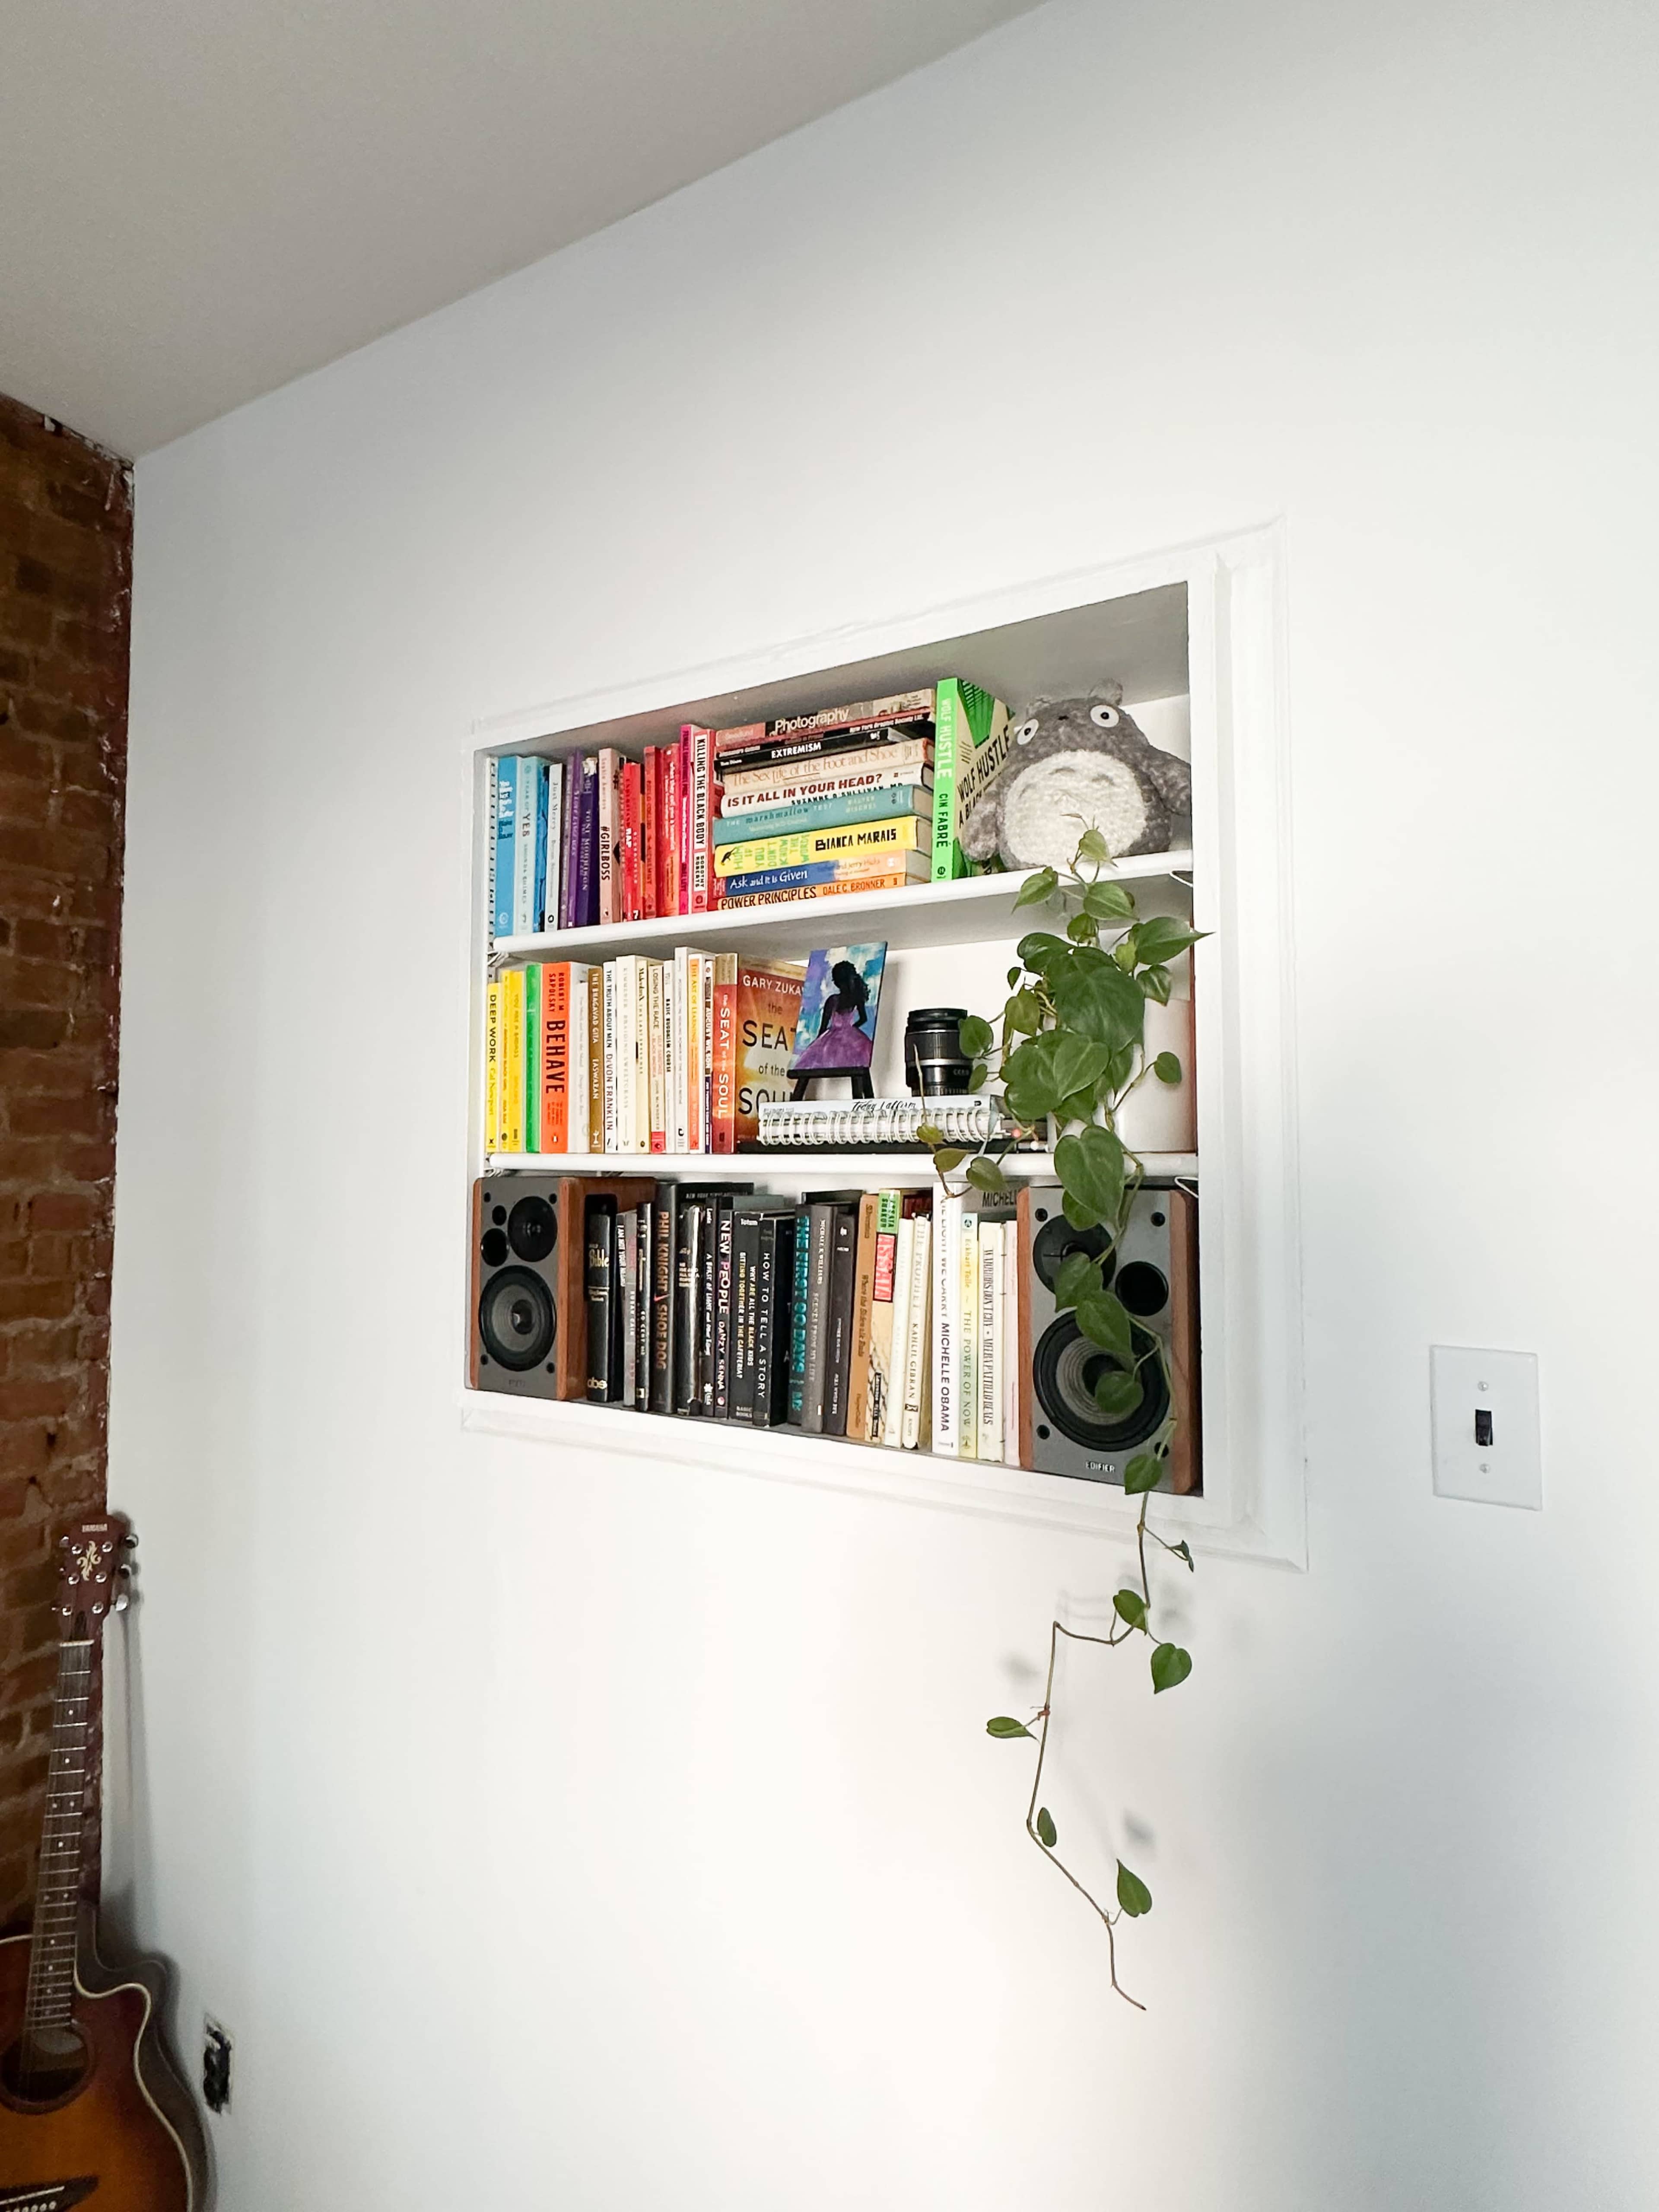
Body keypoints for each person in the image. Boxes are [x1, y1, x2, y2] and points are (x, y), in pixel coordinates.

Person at [791, 960, 871, 1071]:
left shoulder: (837, 1000)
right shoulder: (843, 999)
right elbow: (863, 1019)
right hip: (840, 1037)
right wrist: (851, 1030)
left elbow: (824, 1027)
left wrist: (850, 1031)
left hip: (837, 1037)